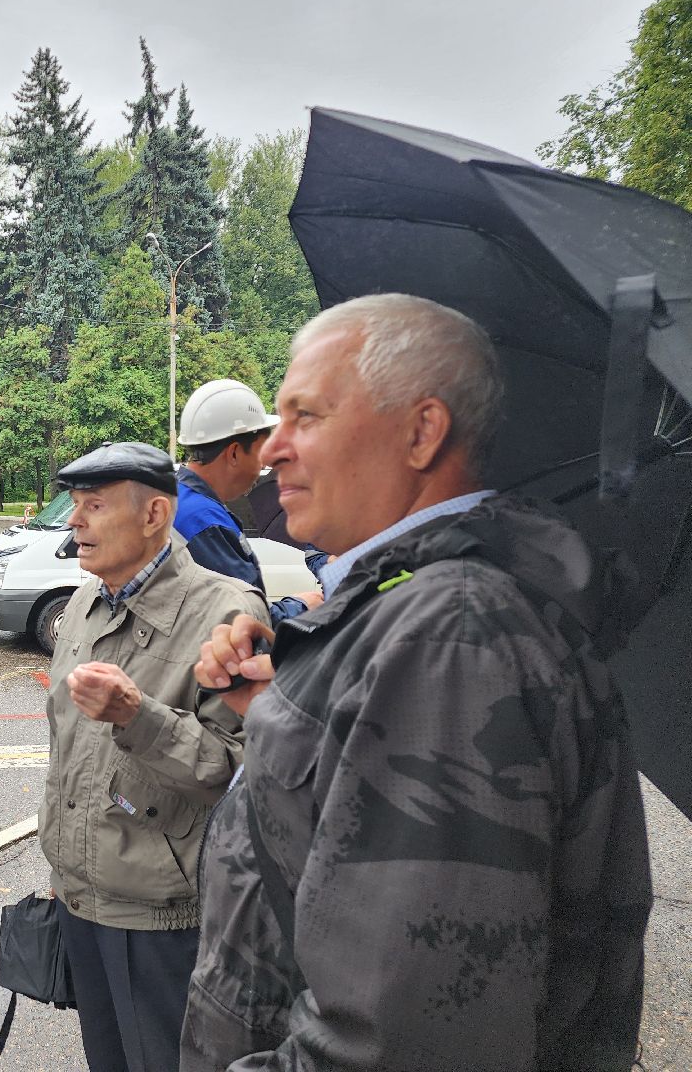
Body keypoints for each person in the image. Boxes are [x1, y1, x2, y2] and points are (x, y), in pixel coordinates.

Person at [181, 294, 653, 1071]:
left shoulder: (451, 639)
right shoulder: (425, 605)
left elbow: (399, 1043)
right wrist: (282, 706)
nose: (271, 451)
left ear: (422, 431)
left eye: (307, 416)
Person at [39, 441, 270, 1072]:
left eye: (93, 505)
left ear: (154, 515)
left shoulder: (227, 611)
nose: (74, 521)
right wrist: (66, 868)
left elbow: (240, 772)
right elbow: (68, 751)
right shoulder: (86, 602)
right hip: (82, 900)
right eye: (75, 505)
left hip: (165, 918)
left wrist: (135, 716)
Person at [174, 378, 324, 623]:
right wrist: (302, 606)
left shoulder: (178, 499)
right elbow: (243, 620)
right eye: (260, 451)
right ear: (234, 453)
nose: (265, 463)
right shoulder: (204, 521)